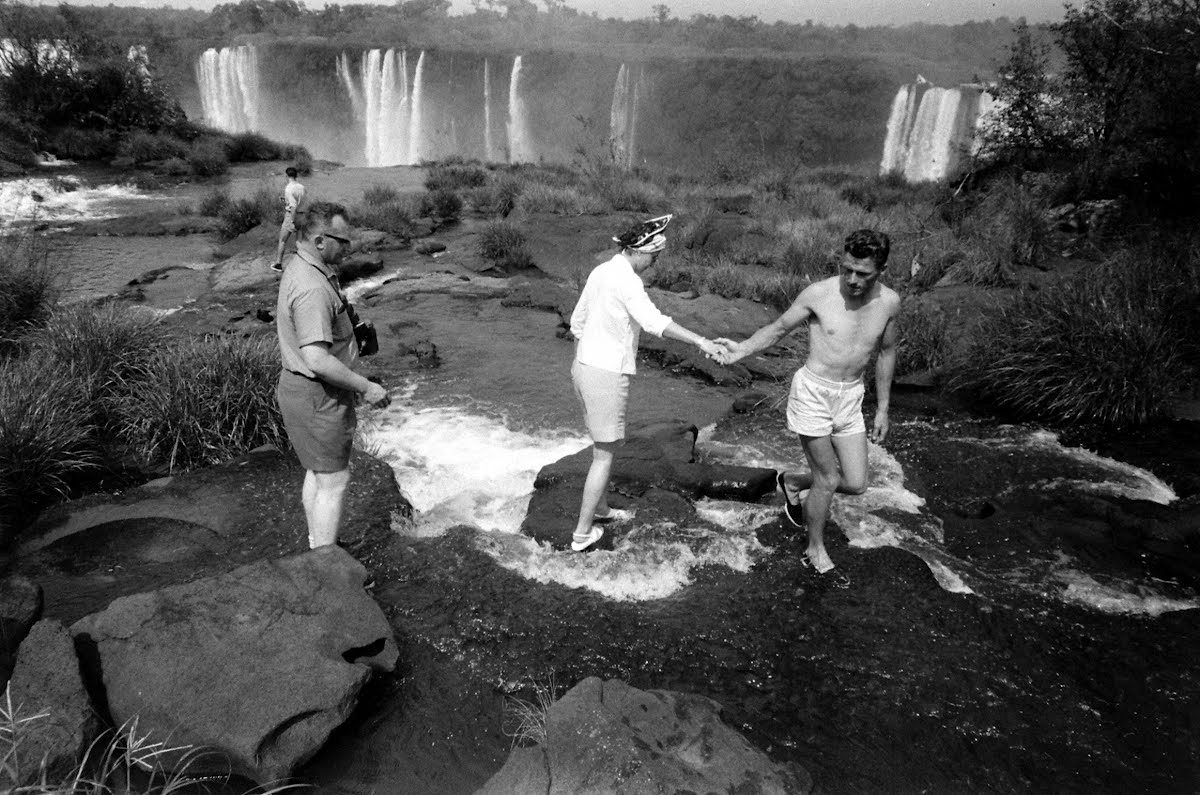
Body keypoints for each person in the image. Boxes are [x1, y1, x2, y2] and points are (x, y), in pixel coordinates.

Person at [714, 229, 900, 587]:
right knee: (828, 479)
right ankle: (815, 548)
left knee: (856, 484)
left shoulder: (889, 303)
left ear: (882, 270)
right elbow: (778, 328)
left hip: (851, 398)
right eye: (846, 269)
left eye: (863, 273)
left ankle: (794, 481)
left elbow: (887, 351)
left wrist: (883, 408)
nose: (852, 279)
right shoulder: (819, 294)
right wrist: (741, 349)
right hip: (813, 394)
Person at [568, 214, 723, 552]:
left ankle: (601, 508)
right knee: (604, 455)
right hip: (606, 374)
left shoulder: (601, 271)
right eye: (654, 255)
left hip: (583, 367)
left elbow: (577, 323)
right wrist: (701, 341)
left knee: (601, 447)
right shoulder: (628, 281)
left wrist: (580, 363)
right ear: (638, 251)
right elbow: (655, 322)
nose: (655, 262)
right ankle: (582, 534)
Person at [275, 201, 390, 549]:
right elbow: (317, 360)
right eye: (343, 241)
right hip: (317, 397)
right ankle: (326, 563)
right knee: (334, 481)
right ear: (321, 241)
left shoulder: (303, 266)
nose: (348, 248)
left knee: (318, 472)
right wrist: (366, 387)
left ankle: (318, 545)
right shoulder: (312, 287)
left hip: (305, 393)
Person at [271, 166, 307, 273]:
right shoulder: (302, 187)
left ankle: (278, 264)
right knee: (299, 242)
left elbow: (293, 206)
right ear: (296, 175)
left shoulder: (288, 188)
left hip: (292, 215)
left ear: (286, 175)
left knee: (282, 240)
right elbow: (300, 201)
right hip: (302, 214)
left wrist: (292, 220)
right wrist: (286, 200)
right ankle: (305, 264)